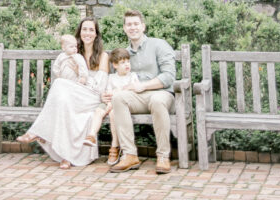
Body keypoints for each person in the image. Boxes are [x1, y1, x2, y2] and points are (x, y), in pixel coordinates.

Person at [17, 18, 109, 168]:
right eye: (84, 29)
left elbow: (100, 86)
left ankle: (38, 131)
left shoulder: (102, 56)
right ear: (79, 32)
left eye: (91, 30)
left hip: (91, 96)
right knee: (64, 103)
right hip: (73, 95)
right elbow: (63, 76)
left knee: (60, 86)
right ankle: (65, 156)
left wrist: (81, 73)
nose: (87, 33)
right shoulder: (71, 51)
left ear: (96, 34)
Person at [109, 9, 176, 175]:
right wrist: (111, 91)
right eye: (129, 24)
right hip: (138, 98)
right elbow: (120, 79)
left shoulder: (159, 45)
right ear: (124, 28)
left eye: (136, 24)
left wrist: (144, 86)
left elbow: (169, 77)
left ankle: (163, 156)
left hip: (162, 94)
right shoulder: (125, 53)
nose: (133, 27)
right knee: (118, 98)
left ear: (143, 26)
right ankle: (130, 155)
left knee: (157, 100)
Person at [83, 47, 140, 163]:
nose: (127, 65)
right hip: (110, 102)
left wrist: (115, 95)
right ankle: (91, 135)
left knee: (114, 113)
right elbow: (108, 91)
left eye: (128, 61)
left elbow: (134, 91)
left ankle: (115, 146)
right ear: (115, 65)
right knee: (99, 111)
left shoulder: (132, 76)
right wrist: (109, 99)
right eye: (123, 62)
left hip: (123, 104)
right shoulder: (112, 78)